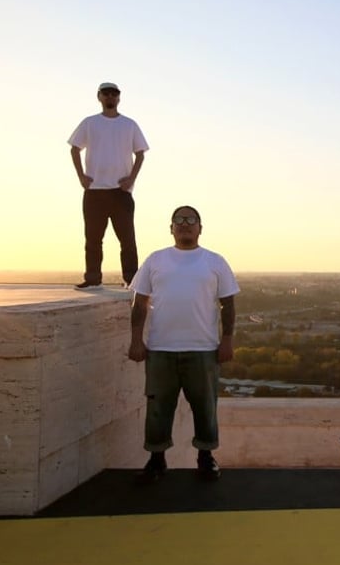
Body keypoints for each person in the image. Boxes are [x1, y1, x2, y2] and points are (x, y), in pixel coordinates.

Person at [127, 206, 239, 481]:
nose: (185, 224)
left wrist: (227, 341)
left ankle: (206, 457)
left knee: (205, 408)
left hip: (203, 349)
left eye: (191, 220)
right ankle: (156, 460)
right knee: (158, 408)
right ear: (171, 228)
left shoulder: (215, 261)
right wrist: (136, 341)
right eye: (179, 220)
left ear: (201, 227)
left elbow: (228, 305)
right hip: (161, 348)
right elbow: (139, 303)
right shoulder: (155, 260)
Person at [69, 82, 149, 289]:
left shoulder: (129, 125)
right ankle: (93, 278)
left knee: (127, 240)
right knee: (93, 239)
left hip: (120, 192)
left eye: (114, 94)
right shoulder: (90, 123)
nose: (110, 97)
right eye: (106, 93)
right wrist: (81, 177)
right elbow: (74, 149)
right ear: (99, 97)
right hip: (95, 191)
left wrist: (131, 179)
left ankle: (132, 280)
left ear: (119, 98)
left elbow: (140, 153)